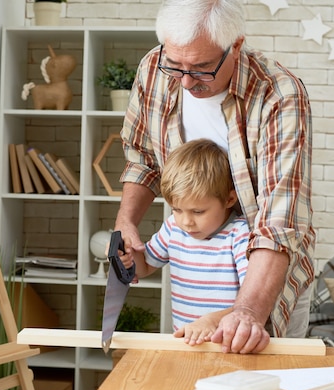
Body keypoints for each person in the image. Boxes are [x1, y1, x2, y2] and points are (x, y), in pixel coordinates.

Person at [115, 0, 315, 354]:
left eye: (203, 67)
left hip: (266, 276)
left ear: (235, 45)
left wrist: (247, 311)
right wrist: (126, 223)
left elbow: (278, 222)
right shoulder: (154, 67)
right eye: (175, 66)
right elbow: (143, 158)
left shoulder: (279, 94)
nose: (187, 81)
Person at [119, 139, 250, 346]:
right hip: (186, 343)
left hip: (228, 345)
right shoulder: (173, 228)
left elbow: (251, 302)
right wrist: (129, 257)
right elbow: (144, 267)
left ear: (229, 200)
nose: (187, 222)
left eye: (198, 212)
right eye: (177, 209)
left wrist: (210, 321)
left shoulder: (239, 234)